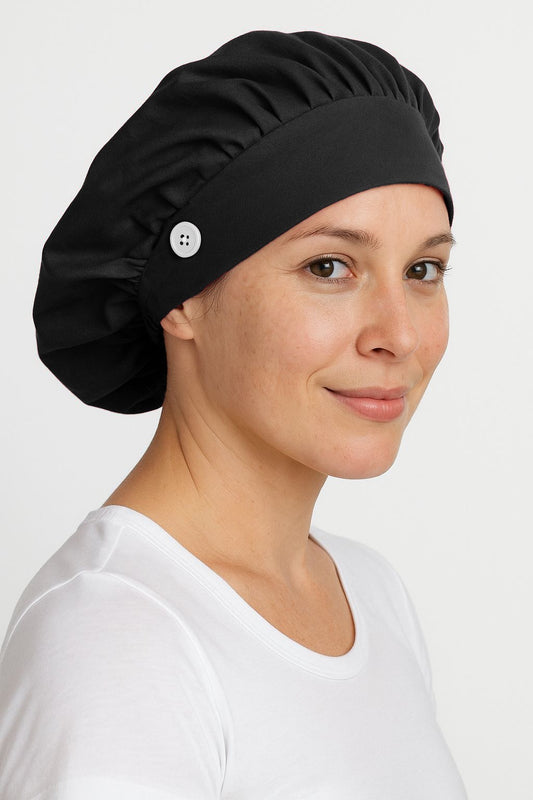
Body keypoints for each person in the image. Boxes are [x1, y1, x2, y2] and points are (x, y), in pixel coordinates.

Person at [0, 29, 468, 798]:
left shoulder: (368, 591)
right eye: (329, 266)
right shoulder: (117, 639)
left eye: (423, 269)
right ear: (182, 297)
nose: (400, 334)